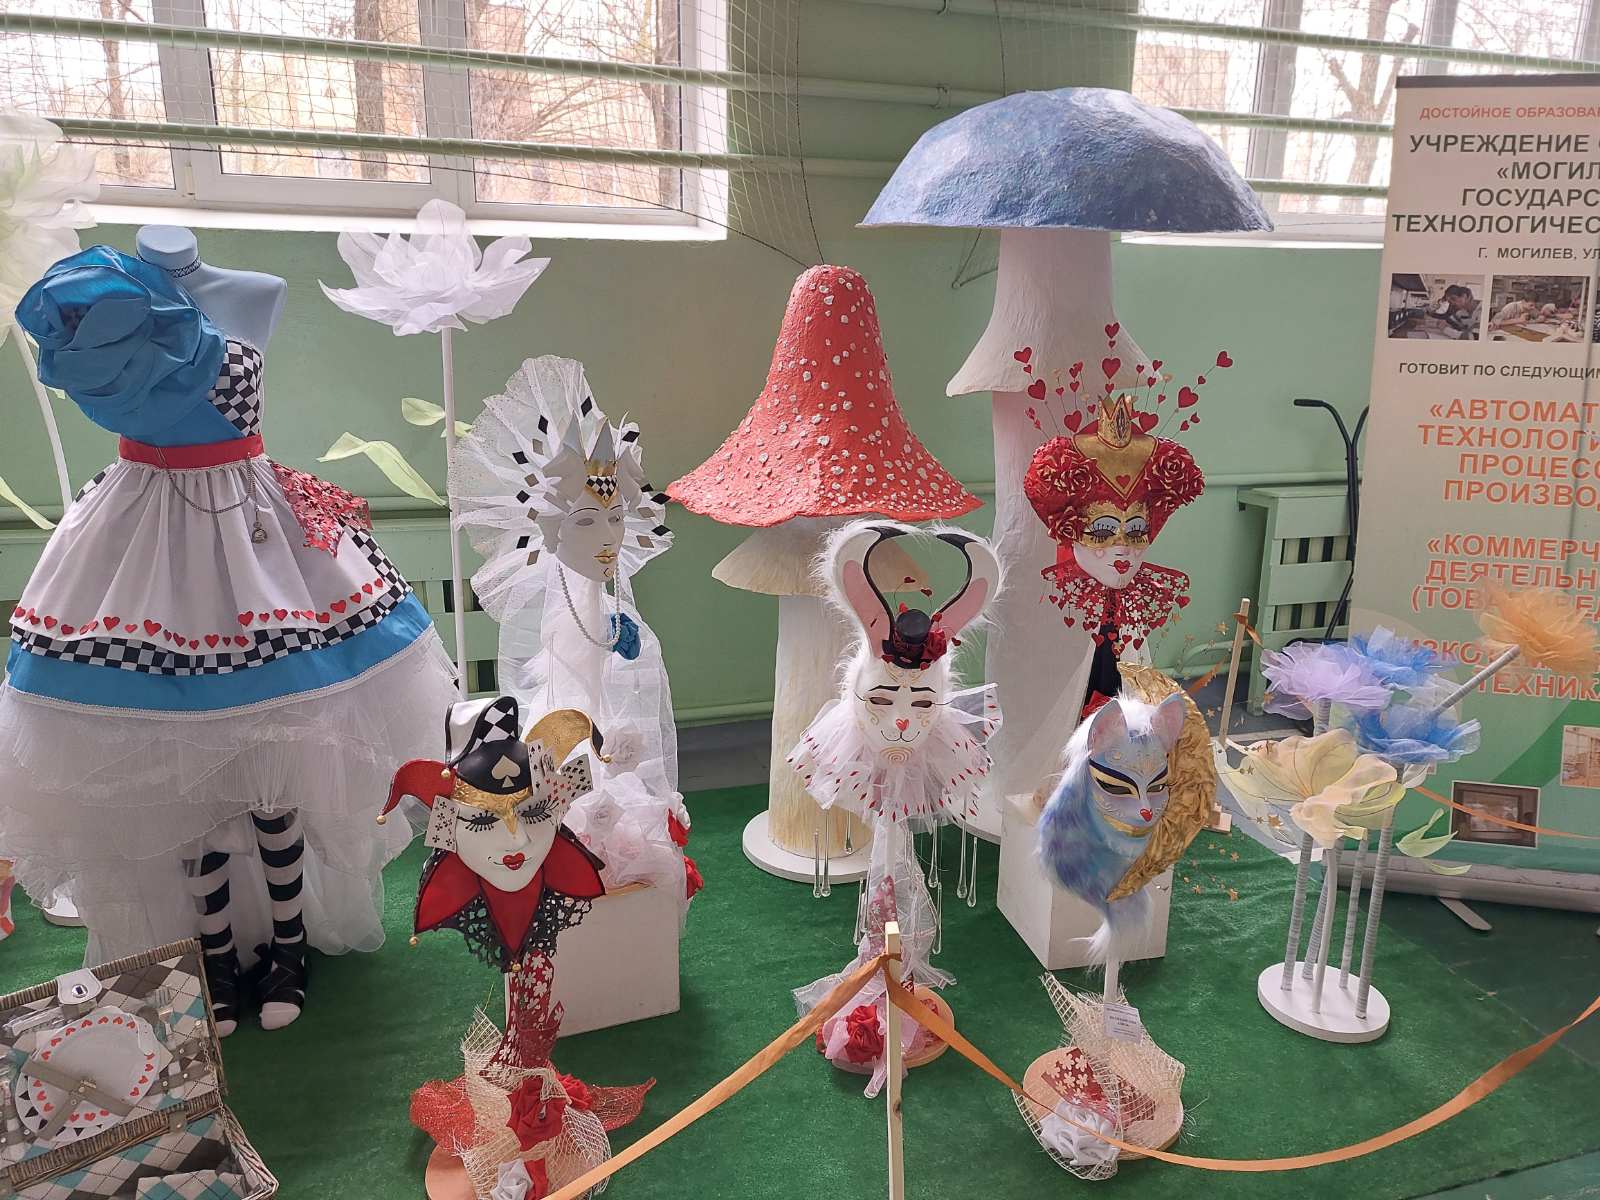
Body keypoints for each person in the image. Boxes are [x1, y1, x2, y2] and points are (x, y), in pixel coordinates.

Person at [1, 244, 457, 1034]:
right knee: (182, 788)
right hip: (139, 542)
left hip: (252, 532)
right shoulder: (88, 304)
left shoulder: (255, 291)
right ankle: (210, 957)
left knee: (276, 767)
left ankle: (287, 947)